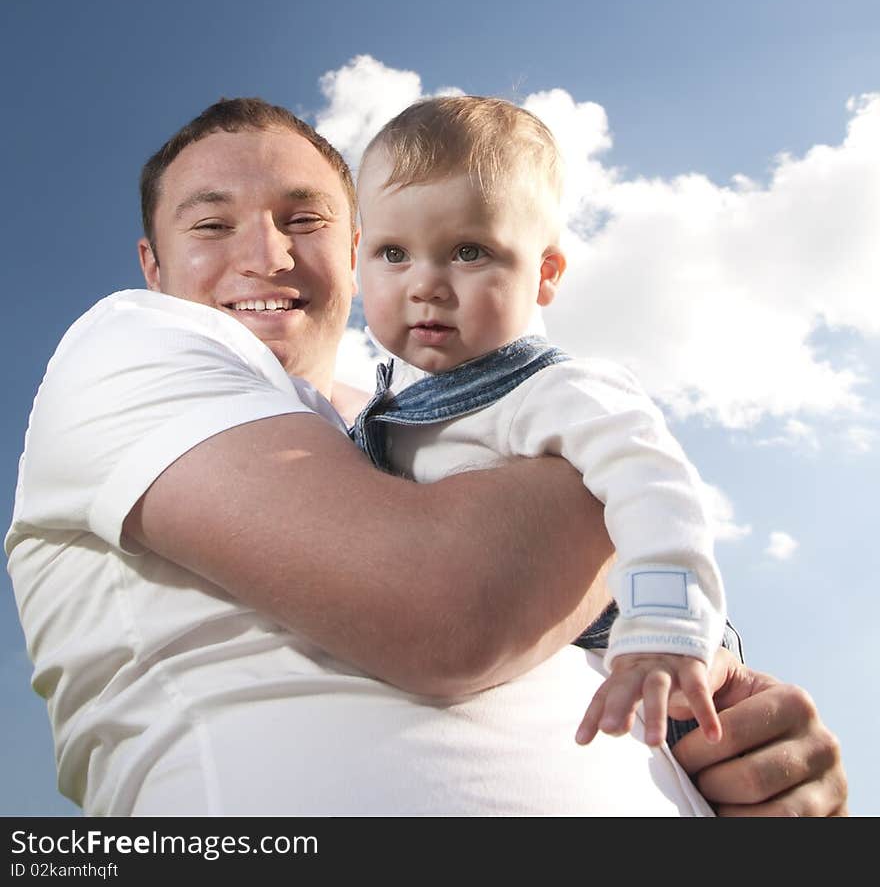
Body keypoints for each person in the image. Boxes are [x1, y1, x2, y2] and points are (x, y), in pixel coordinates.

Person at [5, 98, 848, 816]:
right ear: (152, 264)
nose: (266, 254)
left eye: (306, 220)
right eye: (212, 224)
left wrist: (736, 704)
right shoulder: (131, 341)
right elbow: (452, 608)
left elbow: (597, 598)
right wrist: (611, 464)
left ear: (356, 246)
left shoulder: (424, 419)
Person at [353, 94, 724, 749]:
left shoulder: (556, 390)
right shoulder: (378, 413)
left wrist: (664, 626)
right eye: (392, 253)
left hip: (640, 656)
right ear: (358, 257)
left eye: (468, 251)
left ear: (545, 272)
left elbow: (655, 486)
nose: (426, 284)